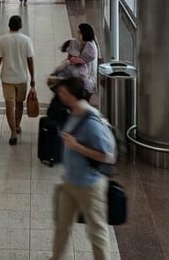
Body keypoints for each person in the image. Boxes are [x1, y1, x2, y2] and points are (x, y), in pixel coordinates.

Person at [49, 76, 117, 260]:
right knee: (62, 226)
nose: (60, 95)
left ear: (72, 95)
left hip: (90, 186)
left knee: (97, 232)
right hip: (70, 182)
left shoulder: (91, 122)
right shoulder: (74, 112)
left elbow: (108, 155)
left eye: (63, 92)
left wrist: (77, 146)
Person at [0, 15, 36, 145]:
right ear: (20, 26)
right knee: (19, 103)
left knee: (9, 105)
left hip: (7, 78)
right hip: (21, 77)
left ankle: (13, 132)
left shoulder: (2, 40)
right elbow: (30, 61)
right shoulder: (26, 40)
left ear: (9, 25)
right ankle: (17, 125)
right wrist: (32, 78)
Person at [54, 23, 100, 95]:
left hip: (86, 83)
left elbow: (79, 61)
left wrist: (69, 62)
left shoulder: (90, 48)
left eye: (79, 32)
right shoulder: (79, 43)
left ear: (84, 34)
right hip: (80, 82)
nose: (77, 34)